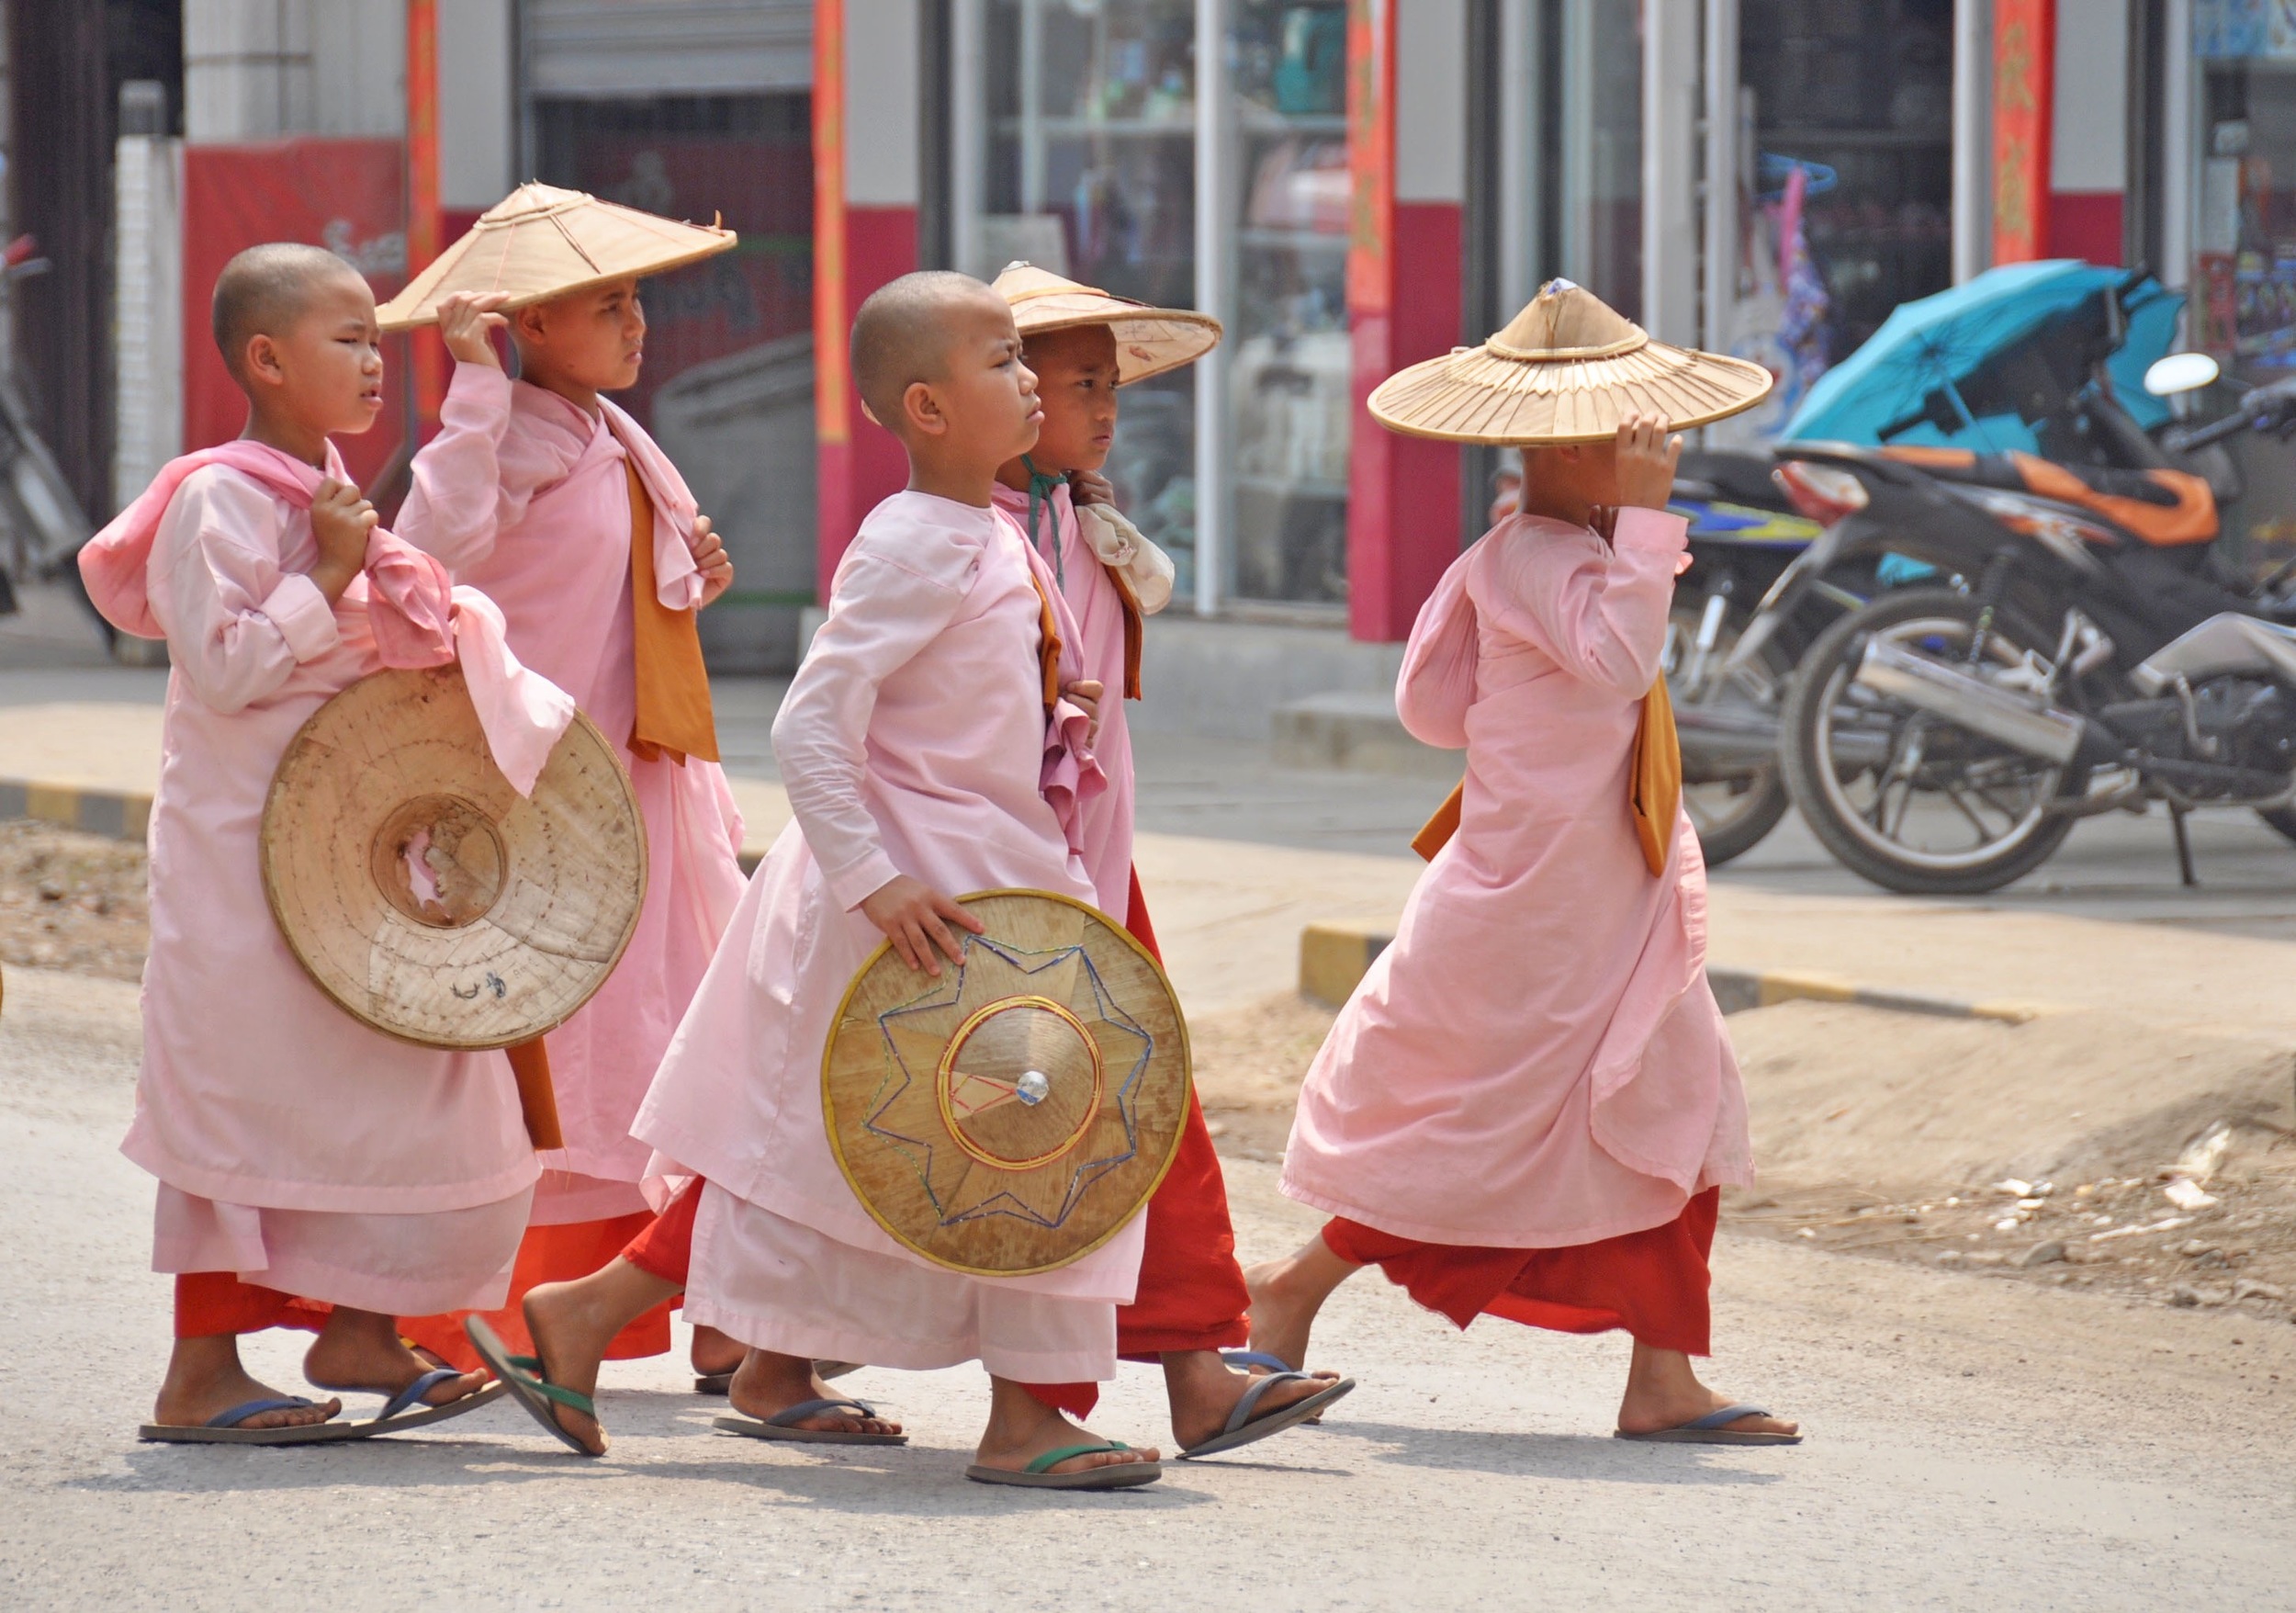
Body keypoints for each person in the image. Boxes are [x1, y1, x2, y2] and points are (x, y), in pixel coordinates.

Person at [478, 269, 1163, 1489]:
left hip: (980, 888)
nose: (1027, 381)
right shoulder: (911, 543)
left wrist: (1046, 699)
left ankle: (597, 1321)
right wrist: (875, 880)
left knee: (829, 1163)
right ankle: (1028, 1412)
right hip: (918, 906)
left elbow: (940, 707)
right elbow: (809, 727)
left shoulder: (986, 534)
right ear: (928, 410)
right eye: (1003, 362)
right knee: (1039, 1147)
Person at [1244, 281, 1802, 1447]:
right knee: (1494, 1133)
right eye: (1632, 436)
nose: (1652, 451)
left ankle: (1660, 1375)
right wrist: (1647, 530)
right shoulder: (1551, 557)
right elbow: (1612, 663)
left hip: (1567, 893)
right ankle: (1288, 1291)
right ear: (1570, 447)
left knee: (1657, 1102)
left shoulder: (1502, 556)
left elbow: (1428, 708)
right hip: (1546, 909)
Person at [82, 244, 540, 1442]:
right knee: (248, 1107)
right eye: (347, 340)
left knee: (410, 1087)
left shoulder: (321, 483)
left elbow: (428, 570)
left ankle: (359, 1328)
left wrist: (476, 392)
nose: (372, 363)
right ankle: (202, 1376)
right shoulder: (215, 498)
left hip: (347, 856)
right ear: (266, 359)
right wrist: (325, 578)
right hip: (240, 863)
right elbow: (224, 669)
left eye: (378, 341)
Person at [985, 264, 1351, 1456]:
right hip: (1007, 875)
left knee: (1143, 1116)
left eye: (1109, 387)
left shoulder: (1069, 519)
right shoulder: (965, 537)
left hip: (1086, 864)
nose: (1102, 408)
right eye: (1073, 382)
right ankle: (657, 1314)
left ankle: (1198, 1363)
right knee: (858, 1139)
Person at [387, 188, 748, 1393]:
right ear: (532, 329)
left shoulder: (611, 434)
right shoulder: (513, 436)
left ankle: (705, 1305)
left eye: (635, 297)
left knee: (669, 1037)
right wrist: (474, 391)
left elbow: (631, 579)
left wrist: (693, 571)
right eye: (608, 304)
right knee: (551, 1053)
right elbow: (428, 561)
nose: (637, 323)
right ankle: (474, 1311)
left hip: (637, 789)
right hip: (535, 803)